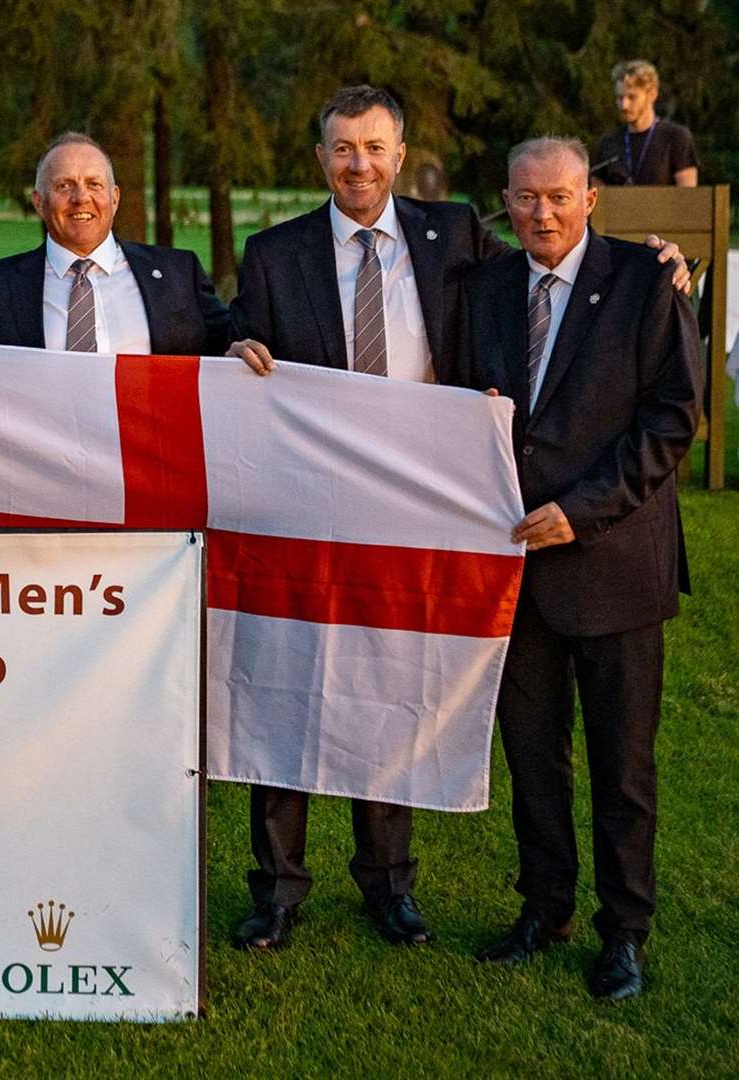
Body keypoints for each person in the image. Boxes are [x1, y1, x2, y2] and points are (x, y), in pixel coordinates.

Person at [224, 88, 690, 954]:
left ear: (400, 154)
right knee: (293, 696)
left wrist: (665, 258)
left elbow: (653, 392)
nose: (357, 163)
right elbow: (236, 333)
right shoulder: (278, 254)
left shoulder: (458, 243)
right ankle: (282, 889)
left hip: (451, 529)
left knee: (391, 698)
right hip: (316, 515)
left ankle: (399, 888)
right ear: (320, 155)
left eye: (374, 146)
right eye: (340, 148)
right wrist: (232, 349)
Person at [462, 137, 700, 1002]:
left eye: (559, 196)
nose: (543, 213)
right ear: (505, 200)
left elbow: (673, 420)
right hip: (515, 568)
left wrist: (582, 511)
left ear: (590, 197)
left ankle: (624, 930)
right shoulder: (484, 287)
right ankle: (544, 906)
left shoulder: (645, 283)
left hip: (613, 562)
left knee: (622, 766)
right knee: (534, 757)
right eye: (526, 198)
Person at [0, 132, 232, 355]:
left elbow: (228, 343)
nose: (81, 198)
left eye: (94, 184)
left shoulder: (179, 274)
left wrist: (239, 350)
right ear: (38, 202)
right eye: (64, 185)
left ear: (114, 199)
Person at [592, 61, 698, 187]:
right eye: (620, 98)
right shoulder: (608, 143)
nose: (624, 105)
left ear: (652, 95)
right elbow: (594, 198)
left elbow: (689, 197)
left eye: (632, 97)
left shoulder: (676, 138)